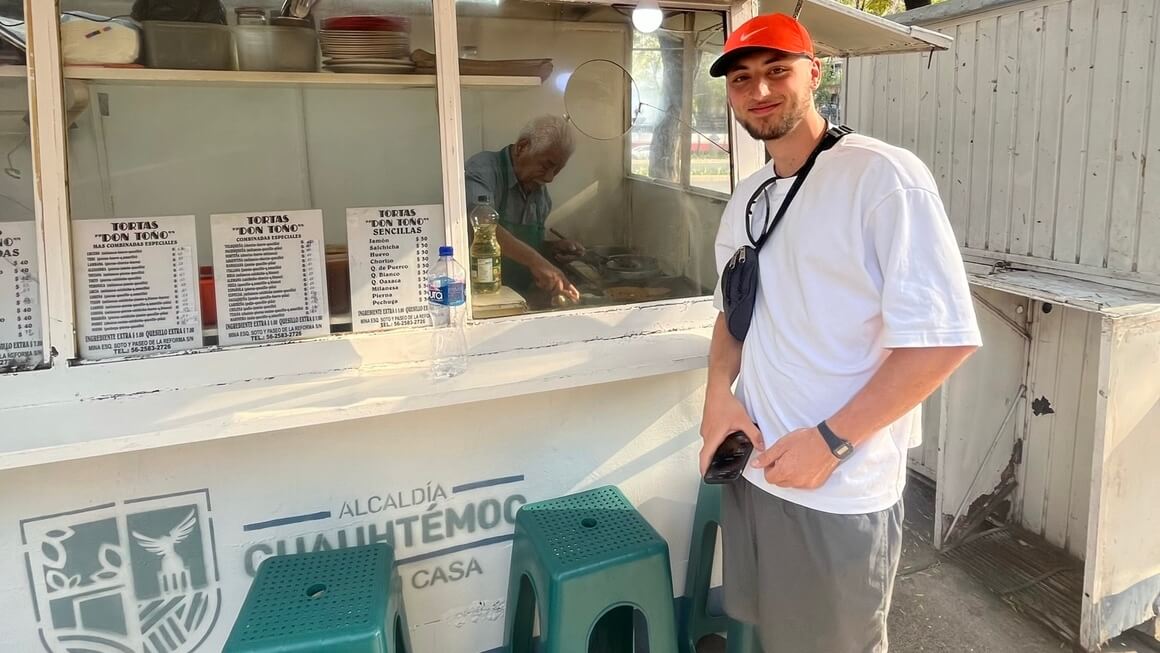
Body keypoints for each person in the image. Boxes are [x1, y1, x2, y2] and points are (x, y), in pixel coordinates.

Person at [700, 13, 982, 652]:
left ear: (815, 74)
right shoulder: (748, 197)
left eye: (778, 71)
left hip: (839, 484)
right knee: (775, 634)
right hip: (759, 468)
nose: (760, 90)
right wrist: (719, 394)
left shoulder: (882, 177)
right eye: (742, 78)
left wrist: (831, 442)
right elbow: (733, 313)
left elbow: (943, 339)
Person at [465, 115, 583, 302]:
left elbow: (525, 248)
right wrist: (536, 261)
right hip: (484, 297)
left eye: (557, 170)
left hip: (521, 299)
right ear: (522, 147)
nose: (550, 178)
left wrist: (550, 249)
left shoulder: (541, 197)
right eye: (546, 165)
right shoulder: (483, 169)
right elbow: (481, 227)